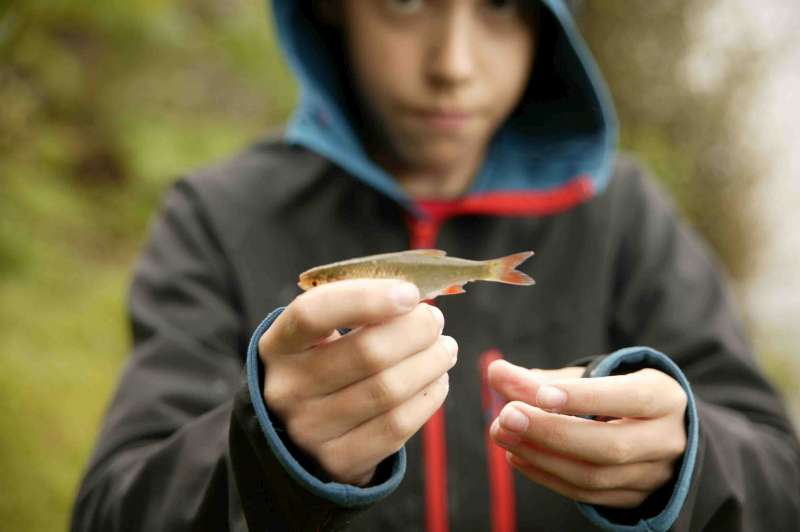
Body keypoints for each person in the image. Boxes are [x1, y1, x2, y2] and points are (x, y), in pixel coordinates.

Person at [71, 0, 800, 531]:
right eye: (407, 2)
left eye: (499, 6)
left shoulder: (627, 215)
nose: (452, 65)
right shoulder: (214, 216)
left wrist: (686, 464)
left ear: (547, 26)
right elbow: (110, 511)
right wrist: (267, 454)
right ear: (332, 10)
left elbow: (780, 482)